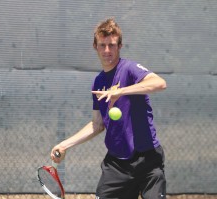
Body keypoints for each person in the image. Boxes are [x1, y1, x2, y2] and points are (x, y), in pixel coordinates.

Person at [51, 18, 167, 199]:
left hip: (148, 161)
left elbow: (159, 83)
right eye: (102, 45)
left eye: (111, 45)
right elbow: (97, 124)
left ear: (119, 46)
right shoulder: (98, 82)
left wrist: (121, 91)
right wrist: (64, 144)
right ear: (95, 47)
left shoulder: (129, 69)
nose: (107, 50)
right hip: (117, 165)